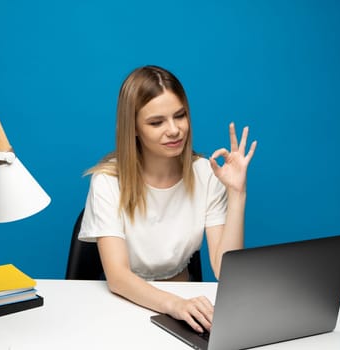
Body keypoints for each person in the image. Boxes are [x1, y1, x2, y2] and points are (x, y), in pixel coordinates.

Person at [78, 65, 257, 333]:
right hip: (125, 304)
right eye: (156, 122)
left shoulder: (207, 174)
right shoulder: (107, 181)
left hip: (185, 301)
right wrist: (175, 305)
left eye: (180, 116)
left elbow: (225, 270)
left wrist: (237, 192)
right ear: (134, 128)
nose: (174, 130)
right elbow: (117, 277)